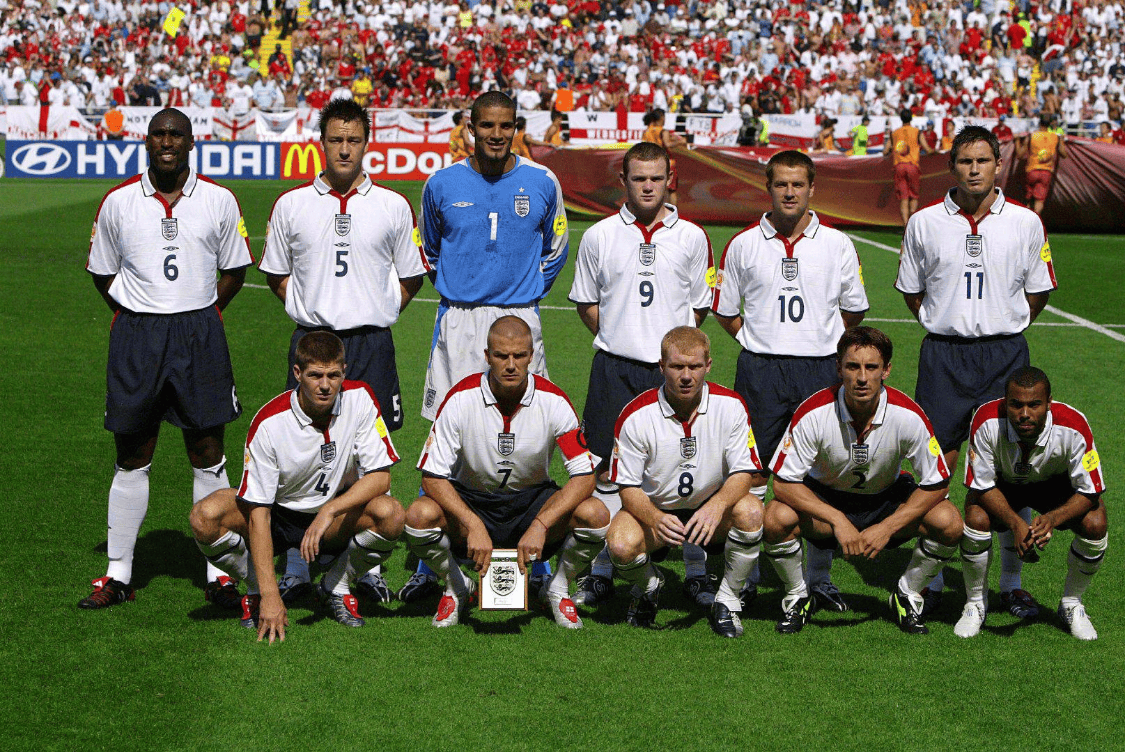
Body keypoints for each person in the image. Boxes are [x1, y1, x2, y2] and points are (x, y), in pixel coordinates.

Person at [81, 108, 253, 610]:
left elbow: (235, 270)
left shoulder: (219, 199)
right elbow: (102, 272)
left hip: (199, 333)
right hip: (139, 335)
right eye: (158, 134)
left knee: (207, 451)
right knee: (133, 453)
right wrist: (138, 313)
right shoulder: (118, 202)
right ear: (147, 142)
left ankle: (219, 574)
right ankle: (118, 574)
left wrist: (203, 314)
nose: (167, 141)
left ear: (191, 142)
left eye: (176, 134)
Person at [259, 98, 425, 605]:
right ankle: (296, 564)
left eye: (353, 140)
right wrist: (309, 312)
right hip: (313, 342)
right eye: (336, 140)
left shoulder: (392, 205)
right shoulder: (292, 205)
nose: (345, 149)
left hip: (371, 344)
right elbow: (276, 272)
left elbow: (411, 276)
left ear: (367, 143)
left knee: (370, 456)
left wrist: (377, 310)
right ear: (322, 143)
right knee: (303, 450)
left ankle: (363, 568)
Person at [408, 90, 568, 601]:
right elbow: (428, 247)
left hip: (519, 320)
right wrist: (460, 286)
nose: (496, 135)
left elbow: (557, 245)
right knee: (446, 436)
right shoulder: (441, 183)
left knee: (531, 432)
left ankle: (535, 553)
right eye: (487, 126)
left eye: (506, 126)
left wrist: (524, 294)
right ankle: (430, 561)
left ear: (516, 127)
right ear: (470, 128)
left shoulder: (542, 181)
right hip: (459, 319)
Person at [895, 125, 1057, 617]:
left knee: (1010, 469)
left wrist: (1004, 324)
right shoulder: (923, 222)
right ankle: (934, 573)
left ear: (998, 165)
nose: (974, 170)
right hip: (943, 357)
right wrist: (945, 321)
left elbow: (1038, 291)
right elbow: (912, 291)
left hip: (1004, 356)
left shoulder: (1026, 222)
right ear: (951, 167)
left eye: (983, 160)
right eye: (965, 161)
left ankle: (1010, 583)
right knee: (936, 467)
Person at [713, 149, 869, 611]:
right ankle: (748, 574)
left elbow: (853, 310)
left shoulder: (837, 244)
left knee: (818, 469)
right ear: (768, 187)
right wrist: (759, 341)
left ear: (812, 188)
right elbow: (726, 311)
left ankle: (818, 577)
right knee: (752, 470)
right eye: (781, 184)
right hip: (760, 369)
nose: (789, 192)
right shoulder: (744, 243)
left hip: (819, 367)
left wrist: (819, 341)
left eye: (798, 184)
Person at [567, 141, 716, 610]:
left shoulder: (692, 236)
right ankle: (602, 569)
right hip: (614, 369)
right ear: (624, 181)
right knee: (607, 469)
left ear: (670, 180)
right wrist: (621, 336)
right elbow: (587, 303)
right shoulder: (599, 235)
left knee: (688, 466)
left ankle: (696, 569)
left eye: (656, 178)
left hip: (671, 374)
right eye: (638, 178)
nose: (648, 186)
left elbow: (698, 308)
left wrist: (670, 354)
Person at [189, 332, 405, 642]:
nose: (325, 385)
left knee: (392, 514)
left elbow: (381, 477)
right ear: (297, 373)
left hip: (332, 520)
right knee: (205, 517)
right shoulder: (269, 423)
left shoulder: (360, 398)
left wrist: (330, 510)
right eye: (315, 375)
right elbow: (259, 513)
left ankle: (336, 584)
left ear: (344, 371)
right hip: (278, 516)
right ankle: (255, 589)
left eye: (333, 375)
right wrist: (269, 594)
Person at [405, 317, 609, 628]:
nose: (510, 365)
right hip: (474, 499)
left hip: (531, 502)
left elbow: (584, 476)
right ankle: (456, 586)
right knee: (419, 516)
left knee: (595, 514)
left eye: (519, 355)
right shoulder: (459, 399)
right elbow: (432, 477)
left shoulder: (554, 401)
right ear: (487, 356)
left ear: (532, 356)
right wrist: (472, 523)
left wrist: (541, 524)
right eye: (501, 356)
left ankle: (557, 588)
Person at [763, 327, 962, 635]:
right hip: (825, 502)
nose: (862, 377)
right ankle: (798, 596)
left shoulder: (908, 415)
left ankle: (908, 593)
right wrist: (837, 519)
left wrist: (888, 526)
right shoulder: (814, 412)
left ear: (886, 370)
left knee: (949, 522)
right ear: (839, 368)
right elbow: (783, 483)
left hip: (884, 500)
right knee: (776, 517)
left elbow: (937, 484)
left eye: (871, 367)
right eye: (853, 366)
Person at [606, 327, 764, 638]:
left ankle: (727, 601)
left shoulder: (731, 405)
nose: (687, 376)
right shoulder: (635, 415)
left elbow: (744, 472)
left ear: (708, 365)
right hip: (658, 509)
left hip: (710, 510)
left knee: (751, 512)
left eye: (694, 366)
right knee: (621, 545)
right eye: (677, 366)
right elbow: (627, 487)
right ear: (661, 366)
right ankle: (650, 585)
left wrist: (717, 505)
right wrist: (655, 517)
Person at [955, 367, 1108, 640]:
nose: (1024, 413)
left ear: (1049, 403)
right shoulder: (987, 419)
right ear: (1005, 402)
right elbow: (982, 485)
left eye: (1034, 404)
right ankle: (975, 603)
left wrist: (1052, 519)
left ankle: (1072, 603)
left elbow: (1090, 490)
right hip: (1003, 485)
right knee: (976, 517)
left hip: (1052, 485)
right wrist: (1016, 524)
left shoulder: (1073, 424)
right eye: (1016, 405)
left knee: (1095, 522)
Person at [884, 109, 934, 225]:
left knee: (904, 197)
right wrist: (936, 152)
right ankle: (912, 222)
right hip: (912, 166)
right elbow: (928, 150)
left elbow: (885, 151)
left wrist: (892, 150)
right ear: (911, 118)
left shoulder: (894, 133)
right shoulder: (917, 132)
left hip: (899, 166)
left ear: (901, 119)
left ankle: (905, 225)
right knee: (914, 196)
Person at [1015, 114, 1068, 215]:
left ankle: (1028, 221)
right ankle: (1036, 219)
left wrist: (1017, 141)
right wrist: (1061, 140)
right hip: (1046, 172)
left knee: (1029, 200)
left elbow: (1019, 155)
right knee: (1039, 201)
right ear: (1050, 124)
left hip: (1031, 170)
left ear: (1039, 123)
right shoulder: (1055, 137)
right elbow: (1064, 154)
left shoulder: (1032, 136)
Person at [641, 108, 687, 204]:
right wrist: (681, 142)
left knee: (655, 190)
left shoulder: (647, 131)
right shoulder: (663, 131)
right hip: (667, 163)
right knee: (671, 190)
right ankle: (672, 212)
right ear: (662, 117)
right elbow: (667, 144)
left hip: (652, 163)